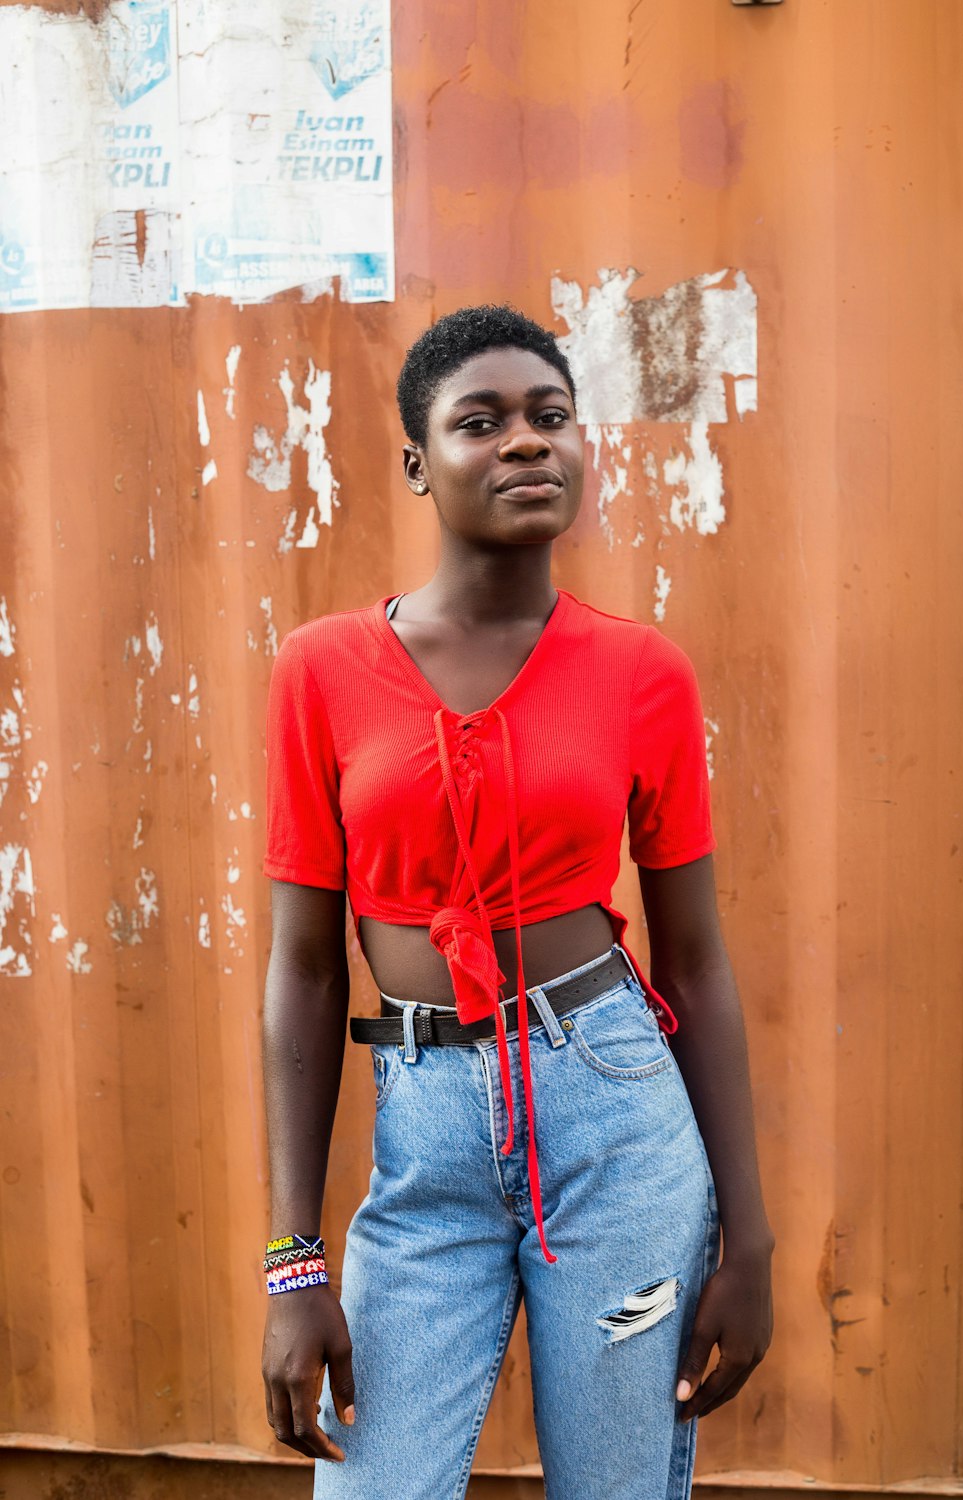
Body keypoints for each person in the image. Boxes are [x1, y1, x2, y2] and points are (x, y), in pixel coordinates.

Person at [259, 304, 773, 1499]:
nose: (527, 445)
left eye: (550, 418)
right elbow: (304, 969)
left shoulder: (640, 672)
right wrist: (294, 1264)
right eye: (479, 423)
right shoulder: (322, 669)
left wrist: (746, 1237)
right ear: (416, 464)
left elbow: (694, 964)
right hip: (424, 1133)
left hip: (614, 1120)